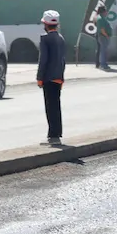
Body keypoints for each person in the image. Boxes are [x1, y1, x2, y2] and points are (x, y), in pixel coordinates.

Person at [37, 9, 66, 146]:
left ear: (45, 24)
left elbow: (43, 60)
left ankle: (53, 135)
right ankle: (55, 133)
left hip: (48, 78)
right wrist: (61, 77)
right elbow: (62, 60)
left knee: (50, 107)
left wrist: (39, 77)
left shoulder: (45, 39)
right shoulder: (61, 39)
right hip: (58, 77)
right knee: (56, 106)